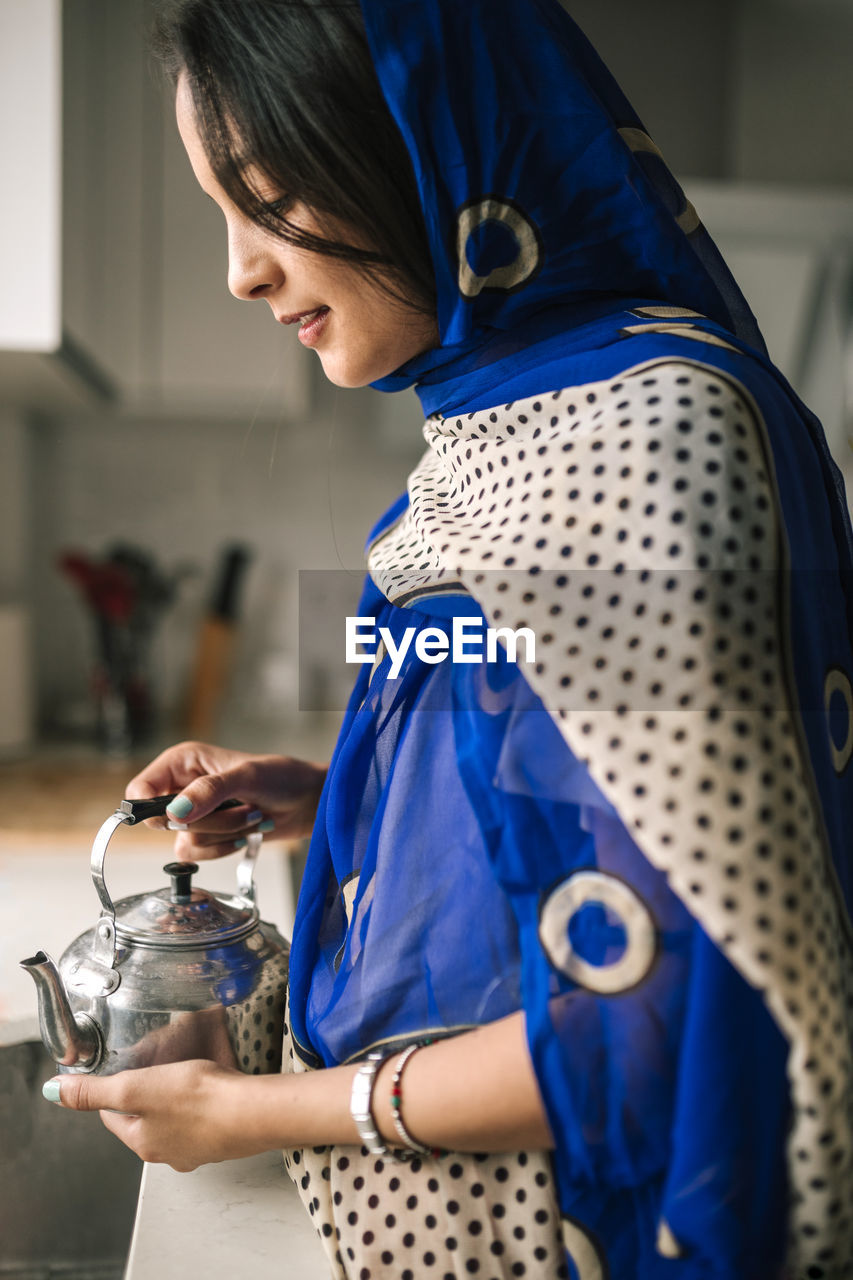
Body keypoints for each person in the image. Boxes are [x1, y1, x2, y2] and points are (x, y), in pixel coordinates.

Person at [43, 1, 853, 1277]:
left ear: (421, 143)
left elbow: (656, 1020)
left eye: (266, 199)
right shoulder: (498, 432)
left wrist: (247, 1112)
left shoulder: (635, 445)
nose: (240, 271)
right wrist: (324, 798)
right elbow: (560, 806)